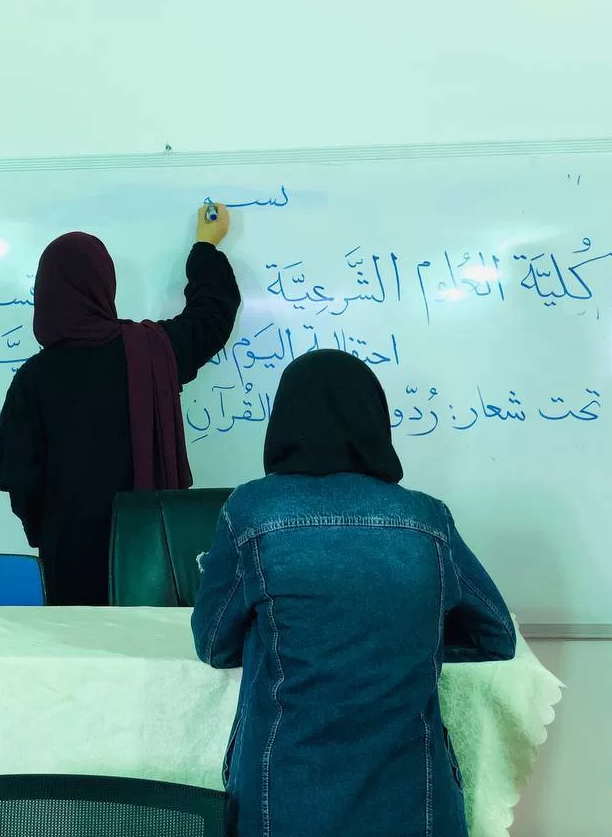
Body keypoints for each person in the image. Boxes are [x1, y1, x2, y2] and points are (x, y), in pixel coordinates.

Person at [192, 349, 516, 837]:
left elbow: (213, 644)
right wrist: (404, 636)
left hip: (283, 805)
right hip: (417, 810)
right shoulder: (428, 519)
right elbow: (495, 636)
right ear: (375, 422)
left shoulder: (250, 511)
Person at [0, 205, 241, 605]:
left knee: (78, 646)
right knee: (146, 642)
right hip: (150, 556)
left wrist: (49, 527)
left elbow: (15, 473)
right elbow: (211, 317)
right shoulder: (152, 352)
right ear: (105, 284)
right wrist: (205, 247)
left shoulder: (33, 379)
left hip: (69, 561)